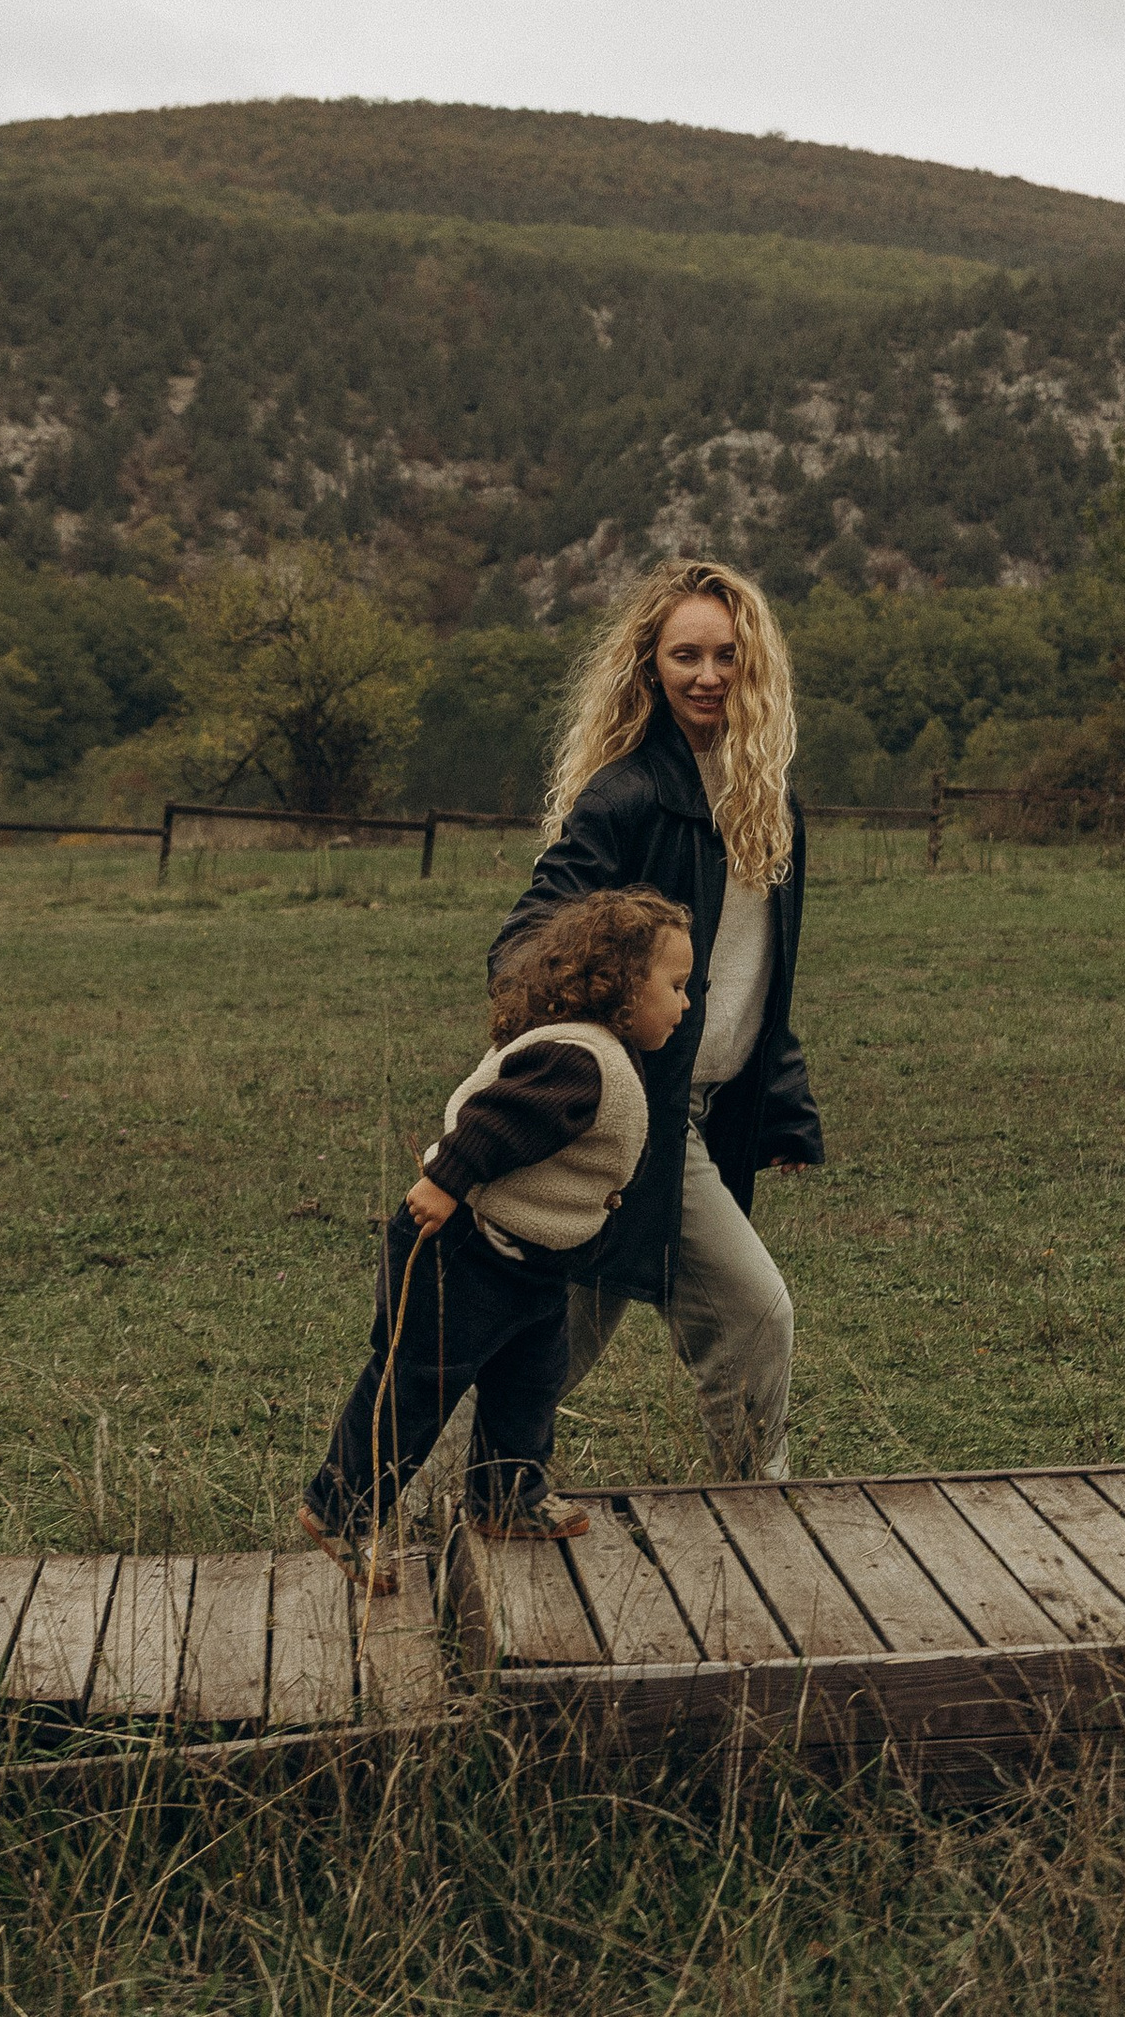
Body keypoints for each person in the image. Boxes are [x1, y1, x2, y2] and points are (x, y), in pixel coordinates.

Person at [492, 555, 823, 1481]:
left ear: (755, 665)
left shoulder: (772, 805)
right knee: (753, 1311)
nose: (708, 675)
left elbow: (761, 973)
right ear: (650, 667)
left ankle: (451, 1495)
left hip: (711, 1107)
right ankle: (757, 1516)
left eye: (727, 655)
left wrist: (784, 1100)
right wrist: (612, 1023)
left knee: (550, 1340)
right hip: (632, 1116)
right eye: (686, 655)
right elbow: (522, 951)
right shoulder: (625, 798)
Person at [301, 887, 694, 1594]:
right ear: (620, 987)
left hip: (528, 1263)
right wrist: (446, 1180)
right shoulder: (579, 1058)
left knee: (531, 1377)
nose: (685, 1002)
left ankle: (505, 1494)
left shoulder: (599, 1049)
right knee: (420, 1382)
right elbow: (496, 1120)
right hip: (463, 1248)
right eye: (675, 985)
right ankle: (341, 1509)